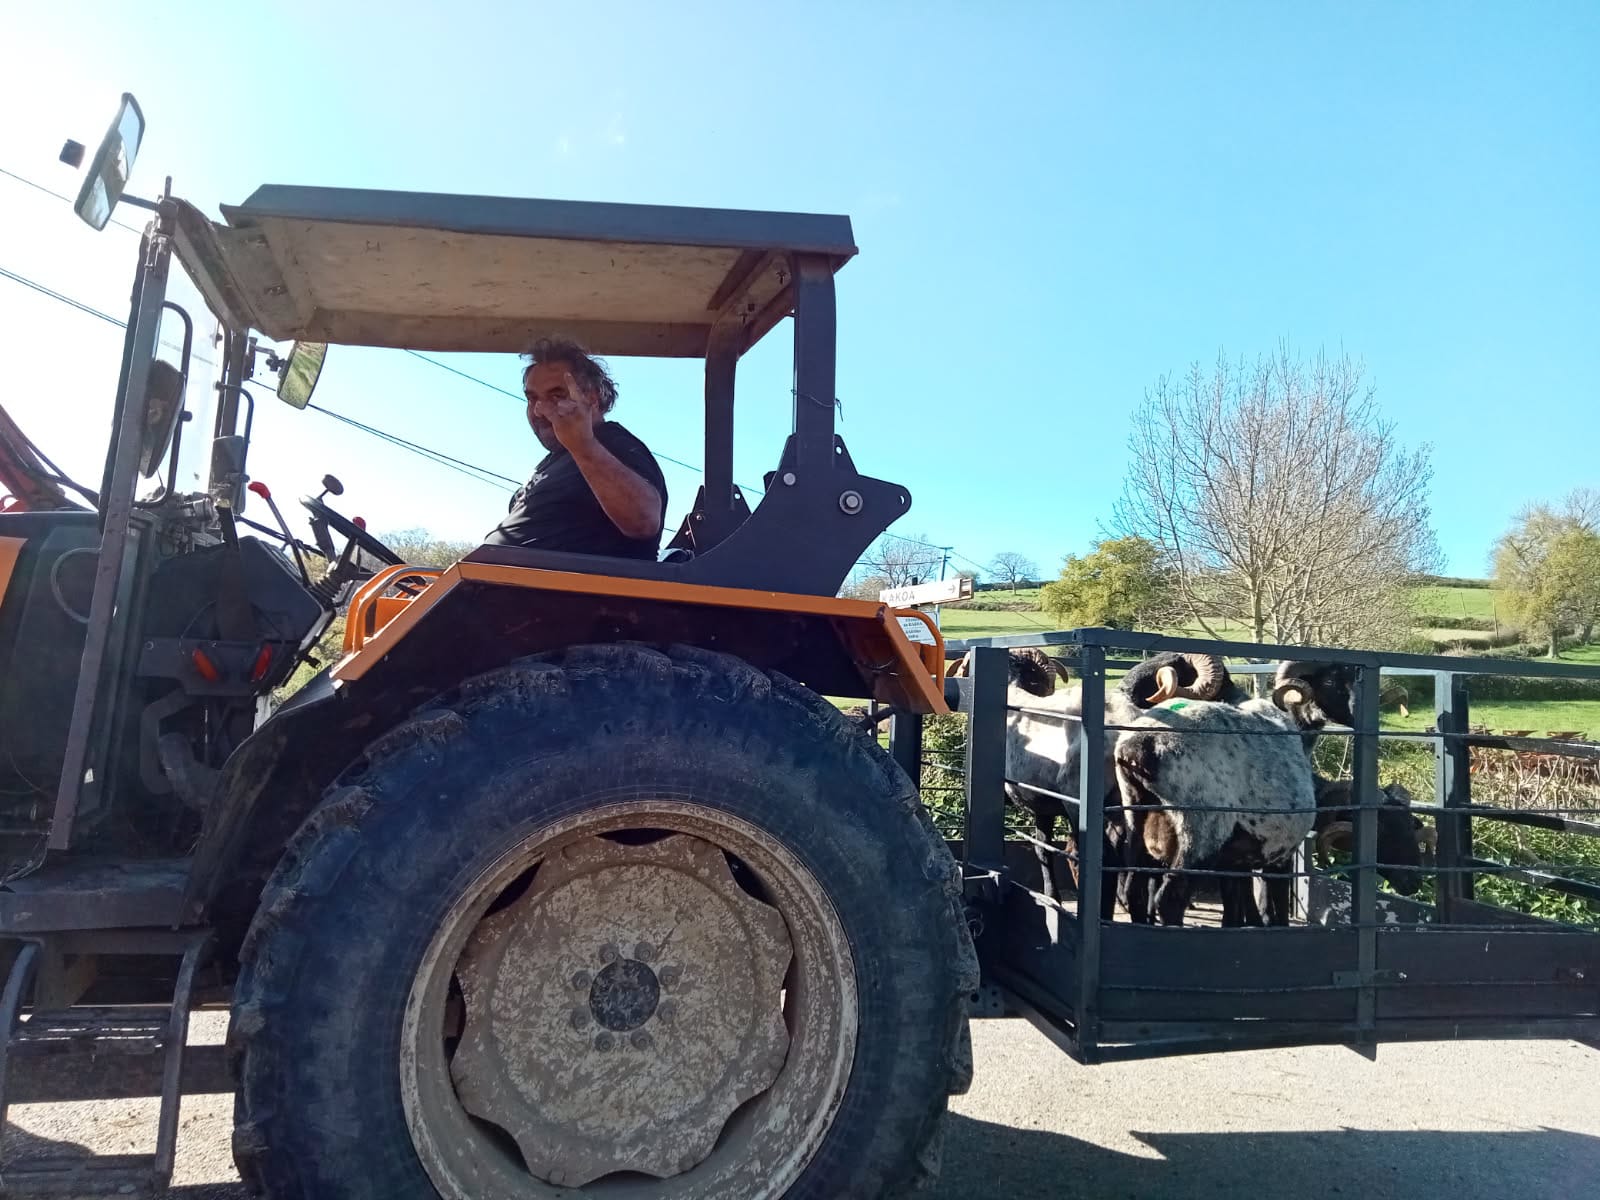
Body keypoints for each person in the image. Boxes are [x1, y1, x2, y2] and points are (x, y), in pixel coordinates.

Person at [483, 337, 667, 558]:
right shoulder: (555, 461)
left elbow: (644, 520)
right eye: (532, 398)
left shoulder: (612, 442)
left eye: (556, 395)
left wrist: (583, 446)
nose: (539, 410)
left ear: (592, 399)